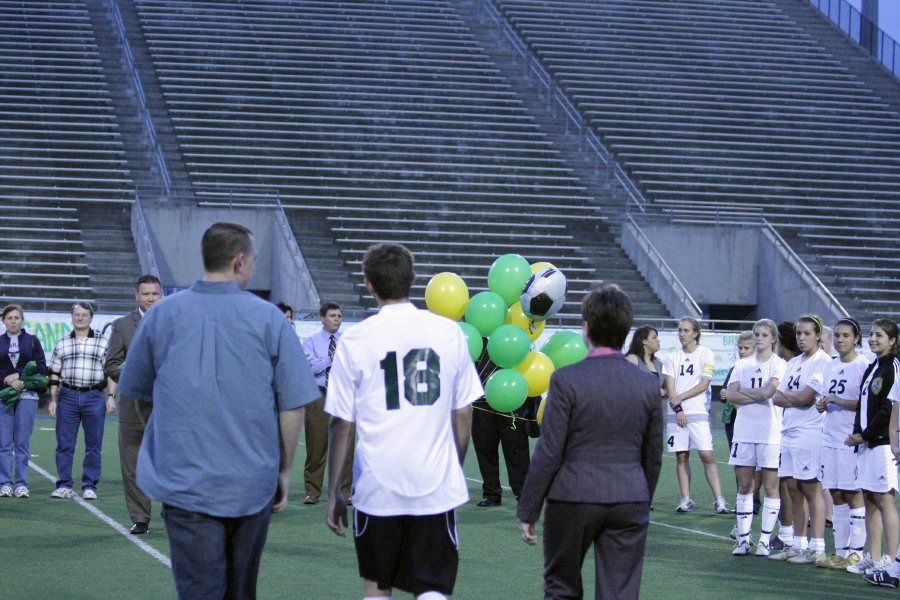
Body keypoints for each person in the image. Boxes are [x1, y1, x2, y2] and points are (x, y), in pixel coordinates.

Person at [118, 222, 320, 599]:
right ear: (240, 262)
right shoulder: (270, 319)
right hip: (251, 481)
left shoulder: (162, 316)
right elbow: (292, 406)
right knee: (241, 592)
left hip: (184, 482)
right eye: (254, 260)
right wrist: (284, 470)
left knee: (199, 591)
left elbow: (138, 395)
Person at [325, 243, 483, 600]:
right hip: (433, 483)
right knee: (432, 586)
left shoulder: (355, 339)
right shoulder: (447, 333)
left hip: (377, 484)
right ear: (413, 279)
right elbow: (463, 414)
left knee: (377, 586)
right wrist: (452, 467)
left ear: (368, 283)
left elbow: (341, 423)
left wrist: (334, 487)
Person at [517, 284, 662, 600]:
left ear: (586, 328)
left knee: (561, 588)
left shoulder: (566, 379)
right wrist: (641, 497)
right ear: (626, 331)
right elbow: (653, 455)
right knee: (620, 593)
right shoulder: (647, 384)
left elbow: (549, 451)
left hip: (573, 496)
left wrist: (529, 509)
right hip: (629, 497)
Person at [768, 314, 832, 564]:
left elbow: (806, 398)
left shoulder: (823, 362)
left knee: (810, 487)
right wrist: (798, 398)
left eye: (807, 333)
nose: (802, 338)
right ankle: (798, 543)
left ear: (817, 335)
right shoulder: (794, 362)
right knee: (792, 487)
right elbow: (776, 397)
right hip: (789, 429)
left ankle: (816, 547)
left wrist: (794, 398)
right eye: (798, 334)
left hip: (810, 431)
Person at [104, 275, 163, 535]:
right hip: (132, 406)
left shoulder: (173, 322)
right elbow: (111, 365)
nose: (151, 298)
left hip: (167, 405)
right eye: (146, 293)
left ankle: (173, 509)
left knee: (170, 461)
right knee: (133, 462)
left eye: (155, 293)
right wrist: (134, 375)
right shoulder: (122, 326)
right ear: (136, 295)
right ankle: (141, 517)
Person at [723, 319, 786, 556]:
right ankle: (743, 539)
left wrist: (743, 394)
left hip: (770, 433)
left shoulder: (779, 364)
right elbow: (730, 395)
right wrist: (755, 395)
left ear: (773, 339)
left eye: (764, 335)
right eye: (757, 334)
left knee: (771, 487)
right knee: (744, 486)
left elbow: (770, 392)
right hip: (744, 432)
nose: (759, 338)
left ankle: (764, 540)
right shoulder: (742, 364)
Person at [844, 318, 900, 585]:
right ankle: (875, 557)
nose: (874, 339)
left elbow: (890, 410)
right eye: (872, 334)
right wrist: (858, 432)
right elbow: (862, 405)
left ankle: (892, 558)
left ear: (892, 341)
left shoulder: (893, 367)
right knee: (869, 499)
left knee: (885, 500)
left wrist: (864, 435)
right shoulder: (872, 367)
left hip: (883, 444)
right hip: (866, 444)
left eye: (880, 335)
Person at [813, 318, 868, 571]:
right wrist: (822, 403)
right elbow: (825, 396)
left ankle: (857, 553)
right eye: (836, 335)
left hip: (850, 440)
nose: (840, 340)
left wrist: (839, 400)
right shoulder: (830, 366)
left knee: (853, 493)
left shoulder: (863, 366)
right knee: (835, 494)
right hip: (829, 438)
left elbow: (866, 404)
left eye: (845, 335)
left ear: (856, 338)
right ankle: (841, 552)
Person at [47, 302, 113, 500]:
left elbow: (111, 372)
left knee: (94, 444)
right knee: (64, 443)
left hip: (94, 396)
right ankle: (64, 484)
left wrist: (111, 396)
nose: (80, 318)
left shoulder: (103, 342)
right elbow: (54, 373)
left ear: (91, 318)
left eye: (84, 315)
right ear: (72, 317)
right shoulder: (62, 342)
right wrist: (52, 399)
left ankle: (89, 485)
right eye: (77, 314)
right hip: (67, 396)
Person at [663, 316, 728, 513]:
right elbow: (670, 386)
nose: (681, 334)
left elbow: (704, 384)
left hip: (698, 412)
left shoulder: (706, 354)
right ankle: (686, 499)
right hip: (677, 414)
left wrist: (680, 399)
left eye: (686, 330)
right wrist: (679, 409)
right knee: (681, 457)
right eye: (680, 330)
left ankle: (720, 500)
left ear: (695, 333)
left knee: (707, 455)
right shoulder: (672, 357)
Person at [301, 301, 352, 505]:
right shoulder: (310, 342)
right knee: (316, 445)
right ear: (322, 318)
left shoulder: (348, 342)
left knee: (346, 446)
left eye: (339, 316)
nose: (336, 320)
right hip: (319, 395)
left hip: (343, 396)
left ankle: (345, 491)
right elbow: (310, 368)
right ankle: (312, 491)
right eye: (332, 316)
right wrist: (332, 358)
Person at [471, 341, 532, 507]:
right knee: (485, 450)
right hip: (481, 403)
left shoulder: (515, 339)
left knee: (517, 452)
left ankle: (523, 494)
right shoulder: (476, 340)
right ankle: (491, 494)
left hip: (512, 400)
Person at [0, 304, 47, 498]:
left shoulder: (33, 341)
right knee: (3, 442)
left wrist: (22, 379)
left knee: (21, 442)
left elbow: (41, 367)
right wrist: (7, 378)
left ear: (22, 320)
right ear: (3, 321)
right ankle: (4, 482)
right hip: (4, 396)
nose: (13, 321)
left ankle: (20, 482)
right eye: (9, 318)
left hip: (27, 396)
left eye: (16, 318)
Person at [719, 330, 754, 449]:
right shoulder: (734, 368)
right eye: (740, 348)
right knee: (735, 455)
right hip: (731, 419)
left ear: (755, 349)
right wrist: (723, 393)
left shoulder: (757, 369)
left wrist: (735, 395)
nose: (742, 352)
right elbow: (724, 389)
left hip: (749, 419)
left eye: (746, 348)